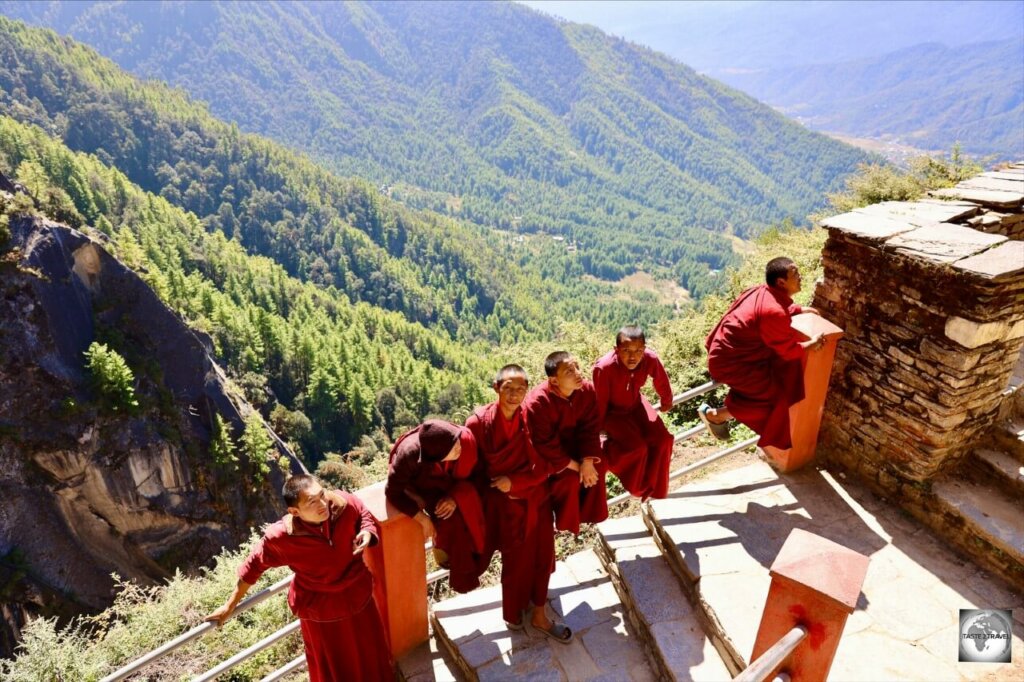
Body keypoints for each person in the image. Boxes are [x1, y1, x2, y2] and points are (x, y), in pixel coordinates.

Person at [205, 474, 393, 682]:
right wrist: (230, 604)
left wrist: (367, 531)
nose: (323, 504)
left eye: (322, 495)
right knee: (335, 667)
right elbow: (254, 565)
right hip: (320, 612)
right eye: (312, 501)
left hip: (358, 597)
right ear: (294, 511)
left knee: (370, 655)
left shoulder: (341, 504)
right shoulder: (282, 537)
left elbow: (363, 513)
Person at [465, 364, 572, 643]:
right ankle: (513, 613)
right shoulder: (477, 423)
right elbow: (471, 471)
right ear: (496, 387)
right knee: (516, 562)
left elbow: (549, 462)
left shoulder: (532, 417)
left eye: (520, 389)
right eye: (508, 388)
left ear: (527, 390)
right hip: (506, 507)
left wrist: (515, 482)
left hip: (536, 497)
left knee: (544, 554)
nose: (514, 394)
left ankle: (538, 612)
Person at [700, 257, 824, 449]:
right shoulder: (773, 311)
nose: (801, 277)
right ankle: (715, 415)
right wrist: (813, 344)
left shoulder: (760, 290)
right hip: (731, 364)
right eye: (796, 275)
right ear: (781, 282)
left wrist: (798, 309)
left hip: (731, 353)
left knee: (781, 378)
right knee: (775, 400)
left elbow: (772, 309)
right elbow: (790, 351)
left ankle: (718, 415)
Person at [384, 419, 488, 593]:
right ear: (438, 455)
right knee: (447, 521)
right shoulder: (410, 454)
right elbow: (393, 491)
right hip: (424, 488)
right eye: (453, 448)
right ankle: (454, 568)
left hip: (455, 486)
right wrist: (422, 518)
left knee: (473, 514)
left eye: (457, 442)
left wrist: (456, 497)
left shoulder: (463, 440)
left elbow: (481, 475)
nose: (459, 448)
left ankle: (471, 570)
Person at [522, 351, 608, 534]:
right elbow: (544, 443)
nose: (578, 373)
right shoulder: (538, 402)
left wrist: (587, 460)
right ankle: (567, 523)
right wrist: (578, 467)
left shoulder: (586, 390)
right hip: (552, 455)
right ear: (554, 381)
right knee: (568, 480)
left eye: (576, 366)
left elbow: (590, 427)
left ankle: (589, 516)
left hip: (578, 446)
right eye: (569, 371)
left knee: (599, 466)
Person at [593, 326, 675, 500]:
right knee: (637, 448)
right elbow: (600, 401)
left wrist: (666, 400)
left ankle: (657, 491)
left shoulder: (649, 358)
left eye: (638, 351)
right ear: (616, 350)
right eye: (626, 351)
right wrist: (597, 429)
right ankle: (640, 490)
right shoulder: (604, 367)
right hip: (613, 412)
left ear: (644, 349)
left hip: (636, 404)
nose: (633, 357)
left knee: (663, 440)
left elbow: (660, 378)